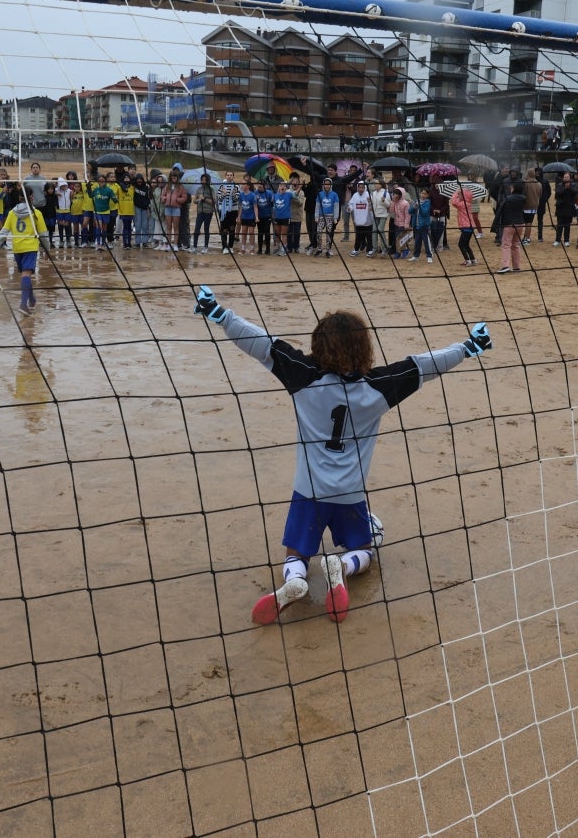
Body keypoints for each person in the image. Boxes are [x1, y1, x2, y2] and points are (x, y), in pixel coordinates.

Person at [191, 286, 492, 623]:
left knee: (296, 553)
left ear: (318, 345)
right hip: (349, 493)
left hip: (309, 491)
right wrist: (468, 348)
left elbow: (260, 342)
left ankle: (296, 580)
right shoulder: (379, 387)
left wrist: (219, 314)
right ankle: (343, 565)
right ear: (364, 348)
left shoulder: (302, 375)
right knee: (366, 548)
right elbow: (424, 365)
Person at [2, 201, 46, 314]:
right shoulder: (36, 213)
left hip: (17, 247)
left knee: (26, 274)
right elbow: (43, 233)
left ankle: (31, 300)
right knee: (26, 274)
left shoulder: (12, 212)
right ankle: (23, 305)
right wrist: (47, 247)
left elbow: (5, 230)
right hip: (30, 247)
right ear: (31, 197)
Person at [494, 180, 526, 272]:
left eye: (512, 187)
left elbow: (501, 211)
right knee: (515, 245)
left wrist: (497, 224)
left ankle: (505, 266)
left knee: (506, 245)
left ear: (514, 188)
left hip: (509, 224)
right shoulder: (524, 198)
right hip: (520, 223)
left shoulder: (508, 198)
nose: (510, 188)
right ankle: (516, 266)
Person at [313, 178, 340, 257]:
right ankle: (319, 249)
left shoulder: (334, 195)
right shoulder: (320, 194)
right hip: (321, 216)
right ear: (323, 185)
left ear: (331, 185)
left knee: (329, 234)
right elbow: (317, 206)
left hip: (330, 216)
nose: (327, 186)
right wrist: (316, 216)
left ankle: (328, 250)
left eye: (328, 184)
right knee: (318, 232)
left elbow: (336, 207)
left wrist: (335, 218)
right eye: (325, 184)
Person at [348, 181, 374, 257]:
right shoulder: (355, 195)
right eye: (359, 187)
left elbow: (372, 206)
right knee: (358, 236)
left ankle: (370, 250)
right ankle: (356, 249)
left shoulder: (368, 195)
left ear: (365, 187)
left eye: (362, 187)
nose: (361, 189)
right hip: (358, 220)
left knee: (369, 236)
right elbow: (351, 204)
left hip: (367, 220)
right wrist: (350, 208)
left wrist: (370, 202)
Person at [553, 174, 578, 247]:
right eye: (565, 177)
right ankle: (557, 240)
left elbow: (575, 193)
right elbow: (557, 194)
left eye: (567, 177)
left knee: (567, 226)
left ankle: (566, 240)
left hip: (569, 208)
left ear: (570, 178)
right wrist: (565, 189)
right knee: (559, 225)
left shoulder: (573, 185)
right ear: (563, 178)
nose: (566, 178)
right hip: (561, 207)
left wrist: (569, 188)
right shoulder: (560, 185)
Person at [411, 187, 433, 263]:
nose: (423, 195)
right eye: (422, 193)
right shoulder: (416, 201)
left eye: (425, 193)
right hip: (416, 225)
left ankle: (429, 256)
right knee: (417, 242)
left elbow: (424, 213)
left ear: (427, 195)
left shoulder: (428, 202)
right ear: (419, 193)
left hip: (424, 225)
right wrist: (414, 206)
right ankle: (416, 256)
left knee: (426, 241)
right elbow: (409, 211)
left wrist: (419, 206)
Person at [271, 180, 293, 255]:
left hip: (286, 217)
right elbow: (273, 205)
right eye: (281, 185)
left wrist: (299, 187)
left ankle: (284, 249)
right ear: (279, 187)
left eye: (284, 185)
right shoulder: (275, 195)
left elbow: (296, 194)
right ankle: (278, 247)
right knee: (277, 233)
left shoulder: (289, 194)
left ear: (286, 187)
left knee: (284, 233)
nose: (282, 187)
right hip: (277, 217)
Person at [390, 187, 412, 259]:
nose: (395, 195)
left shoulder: (406, 203)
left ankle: (402, 251)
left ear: (401, 194)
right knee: (398, 238)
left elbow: (408, 215)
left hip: (403, 224)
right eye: (394, 193)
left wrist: (406, 224)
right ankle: (400, 252)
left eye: (397, 194)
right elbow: (391, 211)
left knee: (399, 238)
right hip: (396, 223)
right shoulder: (395, 202)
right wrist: (393, 201)